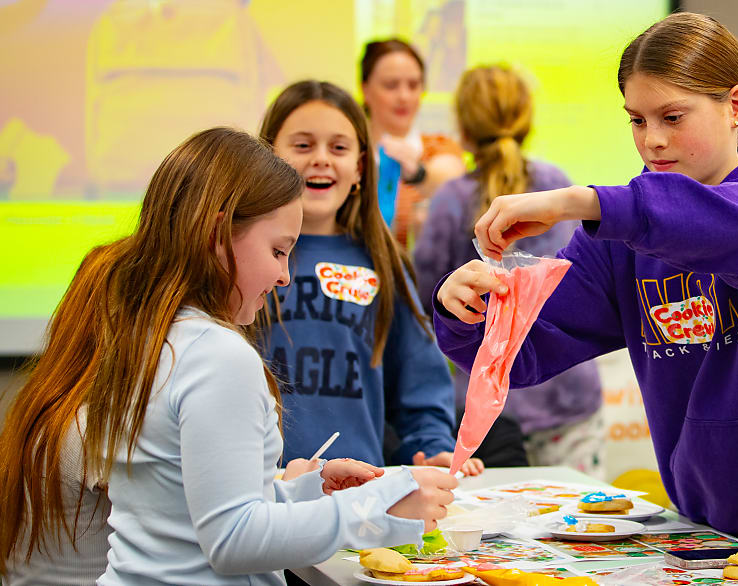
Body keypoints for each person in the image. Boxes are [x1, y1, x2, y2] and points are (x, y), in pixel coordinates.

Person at [432, 13, 738, 581]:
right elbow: (519, 357)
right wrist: (466, 313)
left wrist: (584, 202)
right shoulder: (624, 238)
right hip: (703, 534)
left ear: (736, 104)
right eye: (637, 120)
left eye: (672, 117)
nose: (653, 140)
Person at [0, 127, 457, 586]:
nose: (283, 276)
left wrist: (305, 492)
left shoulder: (147, 340)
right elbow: (233, 538)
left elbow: (184, 510)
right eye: (278, 251)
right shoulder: (218, 356)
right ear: (218, 233)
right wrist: (376, 508)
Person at [257, 80, 483, 475]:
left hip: (356, 497)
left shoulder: (382, 263)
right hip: (257, 496)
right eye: (303, 145)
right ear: (267, 157)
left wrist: (430, 447)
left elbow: (420, 381)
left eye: (339, 147)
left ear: (361, 167)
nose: (321, 160)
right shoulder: (241, 258)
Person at [414, 65, 605, 475]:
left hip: (488, 405)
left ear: (463, 131)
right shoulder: (558, 185)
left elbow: (429, 299)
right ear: (525, 121)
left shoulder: (450, 199)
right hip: (567, 399)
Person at [361, 39, 466, 245]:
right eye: (391, 85)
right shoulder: (347, 152)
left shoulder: (439, 146)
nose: (404, 96)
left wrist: (419, 174)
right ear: (365, 89)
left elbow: (452, 181)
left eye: (413, 85)